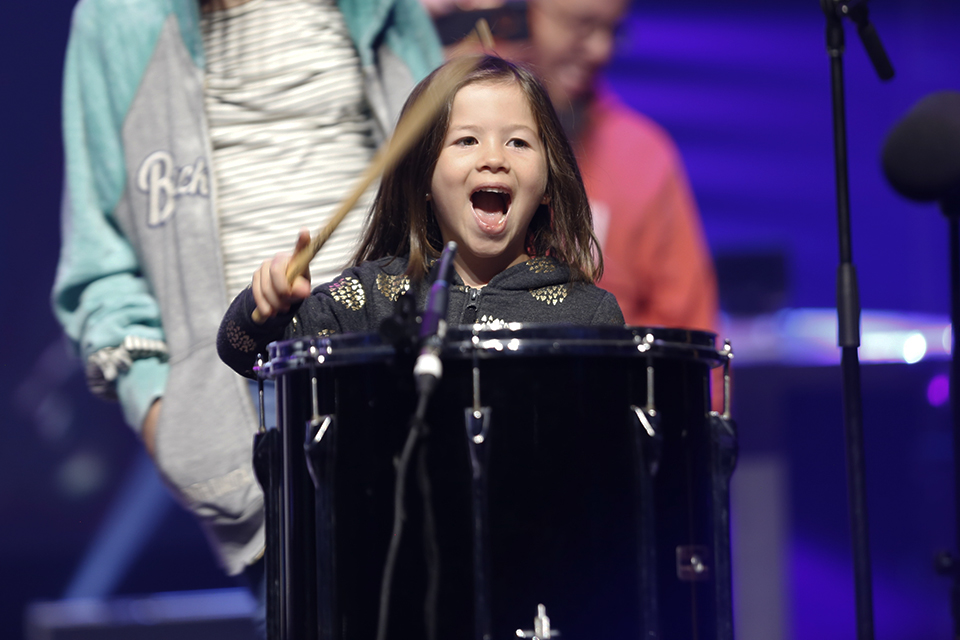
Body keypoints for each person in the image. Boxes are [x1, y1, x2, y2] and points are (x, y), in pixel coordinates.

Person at [52, 0, 443, 600]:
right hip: (258, 435)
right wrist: (166, 418)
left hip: (408, 391)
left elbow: (440, 164)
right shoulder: (117, 16)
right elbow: (98, 262)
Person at [217, 55, 623, 373]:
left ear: (550, 183)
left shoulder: (587, 314)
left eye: (518, 142)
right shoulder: (367, 299)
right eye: (467, 140)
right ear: (424, 179)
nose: (495, 158)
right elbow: (246, 354)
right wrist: (266, 304)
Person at [524, 0, 717, 332]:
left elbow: (688, 325)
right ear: (516, 13)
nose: (602, 50)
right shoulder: (451, 124)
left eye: (613, 30)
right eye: (581, 24)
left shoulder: (642, 154)